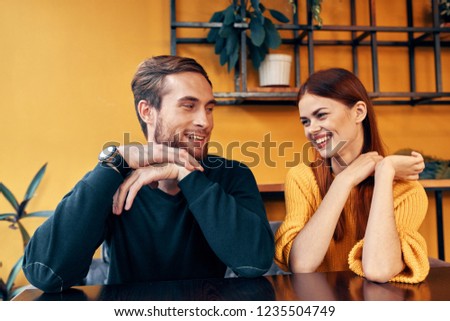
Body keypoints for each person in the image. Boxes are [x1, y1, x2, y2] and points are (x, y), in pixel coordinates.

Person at [23, 55, 274, 293]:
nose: (205, 122)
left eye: (209, 109)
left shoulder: (232, 175)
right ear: (147, 111)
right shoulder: (114, 178)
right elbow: (46, 272)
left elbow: (254, 263)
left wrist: (185, 173)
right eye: (189, 106)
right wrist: (115, 162)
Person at [274, 68, 429, 284]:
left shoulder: (406, 191)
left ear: (358, 112)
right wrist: (345, 180)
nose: (312, 129)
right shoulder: (302, 179)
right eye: (305, 121)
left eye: (321, 115)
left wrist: (384, 173)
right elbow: (302, 265)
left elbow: (379, 270)